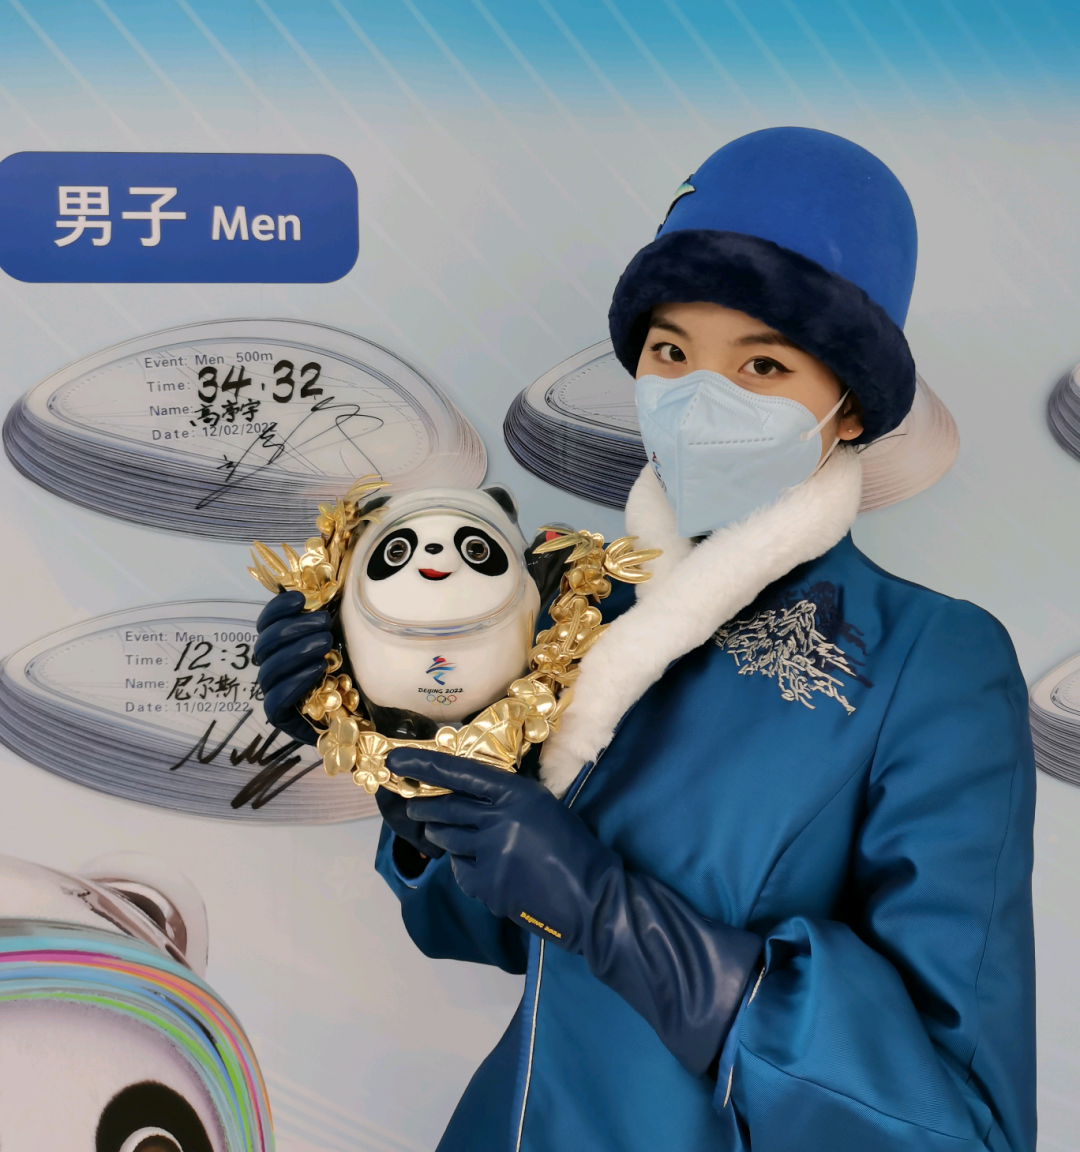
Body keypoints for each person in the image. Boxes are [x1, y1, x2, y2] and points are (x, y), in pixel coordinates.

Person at [254, 127, 1036, 1152]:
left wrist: (607, 910)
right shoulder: (579, 605)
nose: (700, 395)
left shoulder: (928, 662)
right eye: (672, 352)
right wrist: (387, 731)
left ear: (851, 407)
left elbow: (957, 1124)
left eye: (763, 363)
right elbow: (476, 925)